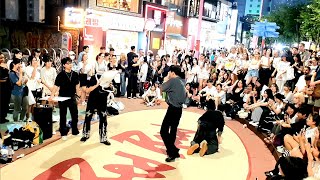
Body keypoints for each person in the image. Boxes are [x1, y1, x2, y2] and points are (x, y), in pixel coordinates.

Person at [49, 57, 81, 140]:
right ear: (64, 65)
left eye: (71, 63)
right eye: (68, 63)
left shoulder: (75, 74)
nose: (70, 65)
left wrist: (78, 96)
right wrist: (52, 96)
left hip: (72, 97)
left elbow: (77, 86)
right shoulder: (60, 75)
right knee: (63, 115)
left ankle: (75, 131)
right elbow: (56, 86)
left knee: (75, 115)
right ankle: (63, 133)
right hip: (62, 97)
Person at [160, 65, 186, 162]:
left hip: (172, 109)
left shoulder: (173, 80)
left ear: (172, 73)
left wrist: (165, 79)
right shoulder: (181, 81)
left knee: (163, 131)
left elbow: (162, 88)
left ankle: (173, 152)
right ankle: (173, 151)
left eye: (169, 73)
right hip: (179, 109)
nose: (169, 74)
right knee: (173, 130)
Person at [80, 72, 111, 145]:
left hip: (102, 100)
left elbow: (111, 90)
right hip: (92, 100)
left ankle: (103, 137)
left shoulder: (108, 78)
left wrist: (110, 86)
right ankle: (85, 134)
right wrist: (97, 84)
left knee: (103, 118)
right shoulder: (93, 78)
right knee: (88, 117)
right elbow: (87, 90)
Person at [0, 52, 11, 123]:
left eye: (3, 57)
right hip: (1, 87)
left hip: (6, 87)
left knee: (5, 102)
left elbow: (8, 73)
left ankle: (4, 117)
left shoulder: (5, 65)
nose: (2, 59)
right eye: (1, 58)